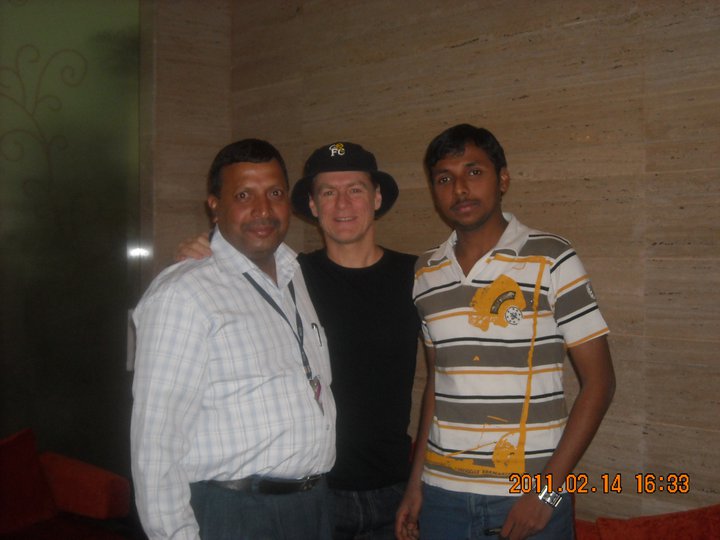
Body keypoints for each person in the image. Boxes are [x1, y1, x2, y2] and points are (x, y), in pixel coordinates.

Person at [176, 141, 422, 540]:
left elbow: (445, 381)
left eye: (355, 189)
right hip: (312, 493)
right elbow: (232, 263)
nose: (342, 203)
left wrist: (417, 481)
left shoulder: (417, 276)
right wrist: (205, 247)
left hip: (394, 489)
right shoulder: (287, 278)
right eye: (328, 192)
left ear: (376, 198)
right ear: (312, 204)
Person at [395, 124, 616, 540]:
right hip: (442, 495)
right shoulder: (426, 272)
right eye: (444, 179)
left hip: (527, 496)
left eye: (474, 172)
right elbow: (437, 384)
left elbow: (600, 383)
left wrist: (547, 493)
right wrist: (415, 483)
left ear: (503, 180)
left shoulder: (552, 258)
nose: (460, 189)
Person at [131, 139, 336, 540]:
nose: (263, 209)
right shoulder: (183, 295)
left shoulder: (294, 274)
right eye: (244, 195)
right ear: (214, 206)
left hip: (312, 506)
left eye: (274, 193)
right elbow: (155, 444)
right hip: (236, 513)